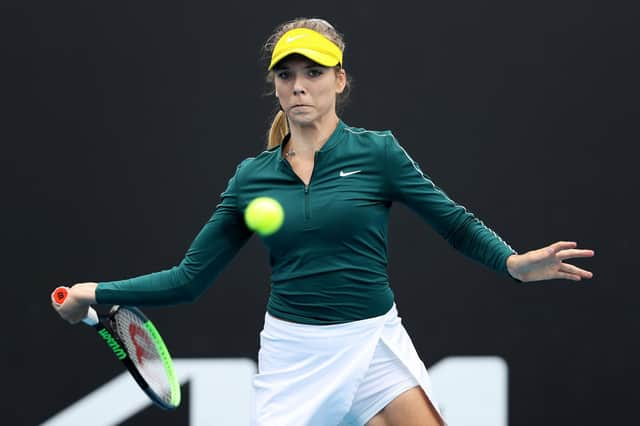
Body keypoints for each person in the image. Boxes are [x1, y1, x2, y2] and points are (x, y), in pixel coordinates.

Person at [52, 17, 594, 426]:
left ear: (339, 80)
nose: (299, 85)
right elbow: (189, 278)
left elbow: (454, 223)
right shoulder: (251, 178)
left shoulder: (379, 154)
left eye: (313, 72)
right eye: (286, 75)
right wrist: (94, 291)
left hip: (372, 339)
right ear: (276, 87)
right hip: (294, 356)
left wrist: (513, 263)